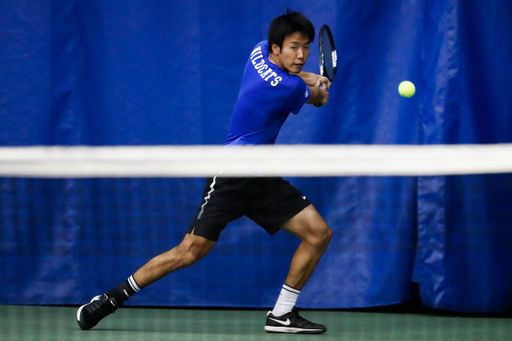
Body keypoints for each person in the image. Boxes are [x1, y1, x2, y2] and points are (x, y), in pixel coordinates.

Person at [77, 9, 332, 334]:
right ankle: (111, 298)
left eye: (306, 47)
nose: (301, 54)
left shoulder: (257, 52)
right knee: (190, 251)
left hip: (262, 176)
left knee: (318, 233)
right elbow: (314, 96)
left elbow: (296, 78)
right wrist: (319, 88)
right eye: (294, 47)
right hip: (232, 176)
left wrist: (310, 78)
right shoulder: (286, 89)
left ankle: (282, 314)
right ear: (276, 49)